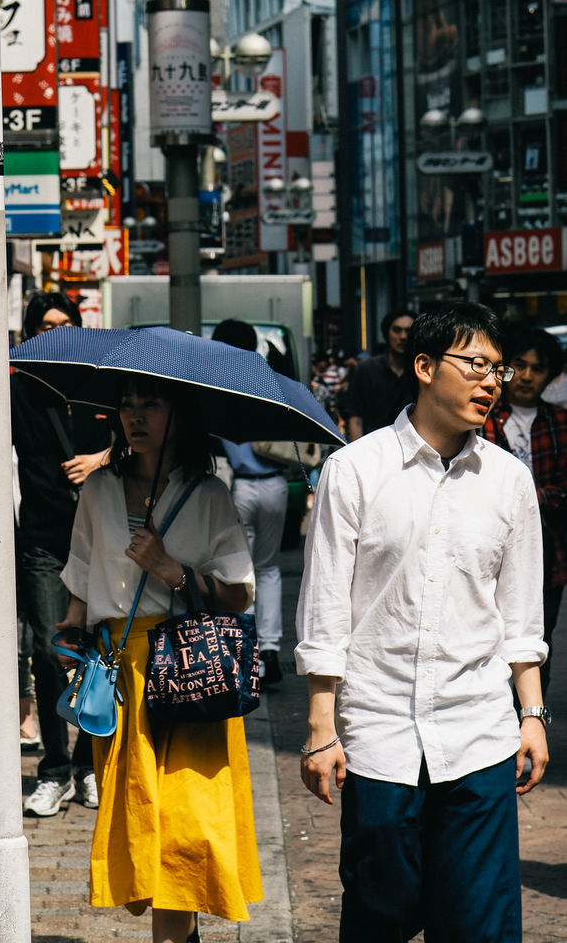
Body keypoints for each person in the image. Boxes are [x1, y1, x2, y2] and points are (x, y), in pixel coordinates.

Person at [296, 302, 549, 942]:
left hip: (479, 734)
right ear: (425, 367)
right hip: (379, 736)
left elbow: (521, 614)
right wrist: (321, 727)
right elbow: (325, 609)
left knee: (480, 925)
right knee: (381, 919)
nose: (494, 381)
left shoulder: (510, 482)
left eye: (499, 368)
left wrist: (532, 715)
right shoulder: (354, 470)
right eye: (477, 365)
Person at [58, 374, 262, 943]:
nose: (135, 416)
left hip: (188, 666)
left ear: (179, 416)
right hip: (117, 669)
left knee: (186, 822)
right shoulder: (98, 488)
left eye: (150, 404)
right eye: (126, 406)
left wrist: (169, 567)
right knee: (143, 816)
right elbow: (80, 567)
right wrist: (71, 630)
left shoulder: (207, 492)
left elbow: (239, 591)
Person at [12, 290, 111, 816]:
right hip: (44, 539)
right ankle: (52, 770)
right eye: (44, 325)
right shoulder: (15, 390)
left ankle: (87, 763)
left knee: (98, 653)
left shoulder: (101, 384)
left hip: (101, 539)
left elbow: (141, 439)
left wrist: (102, 458)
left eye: (63, 323)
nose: (54, 333)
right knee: (51, 655)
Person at [483, 326, 567, 698]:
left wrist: (529, 496)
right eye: (520, 366)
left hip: (549, 550)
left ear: (550, 375)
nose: (528, 376)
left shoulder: (560, 423)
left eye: (538, 368)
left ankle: (531, 716)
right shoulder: (485, 417)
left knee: (537, 639)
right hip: (491, 544)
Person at [211, 319, 287, 689]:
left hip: (240, 486)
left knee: (246, 569)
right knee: (270, 568)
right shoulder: (268, 380)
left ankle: (251, 651)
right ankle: (271, 649)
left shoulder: (219, 383)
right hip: (276, 484)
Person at [345, 308, 417, 439]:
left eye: (408, 331)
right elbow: (355, 419)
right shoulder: (365, 369)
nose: (403, 336)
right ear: (387, 334)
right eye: (397, 330)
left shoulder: (422, 372)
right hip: (373, 446)